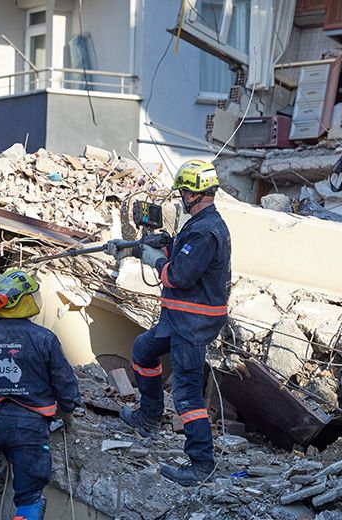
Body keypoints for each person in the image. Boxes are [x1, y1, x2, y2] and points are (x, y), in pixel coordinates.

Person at [105, 159, 231, 486]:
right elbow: (179, 251)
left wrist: (153, 258)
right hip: (178, 316)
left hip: (193, 322)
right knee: (143, 351)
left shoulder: (207, 230)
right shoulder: (199, 222)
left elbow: (178, 274)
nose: (181, 198)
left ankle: (201, 464)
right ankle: (148, 418)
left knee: (187, 395)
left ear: (194, 193)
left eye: (184, 192)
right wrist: (133, 248)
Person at [0, 269, 80, 520]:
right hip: (31, 430)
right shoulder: (45, 338)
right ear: (25, 301)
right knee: (30, 495)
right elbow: (65, 386)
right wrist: (67, 413)